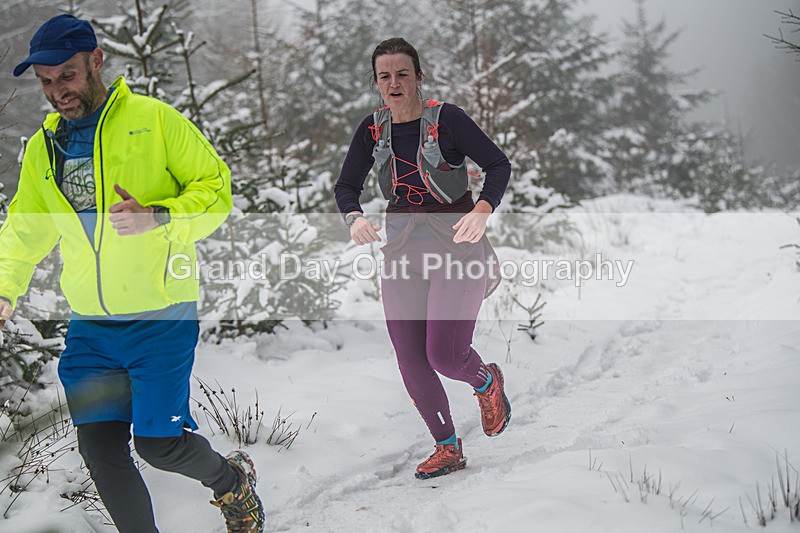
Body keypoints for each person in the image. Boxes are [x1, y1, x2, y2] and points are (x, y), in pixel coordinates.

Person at [0, 14, 265, 533]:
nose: (58, 92)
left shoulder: (156, 121)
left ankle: (231, 480)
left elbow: (216, 191)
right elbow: (25, 230)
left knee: (160, 445)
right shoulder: (44, 149)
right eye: (47, 82)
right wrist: (4, 289)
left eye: (68, 76)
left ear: (97, 62)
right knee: (100, 450)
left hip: (160, 319)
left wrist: (160, 216)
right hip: (92, 327)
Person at [334, 37, 513, 479]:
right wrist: (354, 217)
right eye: (384, 76)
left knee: (446, 357)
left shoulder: (447, 119)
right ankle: (447, 446)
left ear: (418, 76)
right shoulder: (372, 129)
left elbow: (498, 164)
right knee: (410, 357)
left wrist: (483, 210)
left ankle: (486, 381)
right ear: (377, 82)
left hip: (457, 246)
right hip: (400, 251)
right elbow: (346, 186)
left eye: (402, 74)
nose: (394, 83)